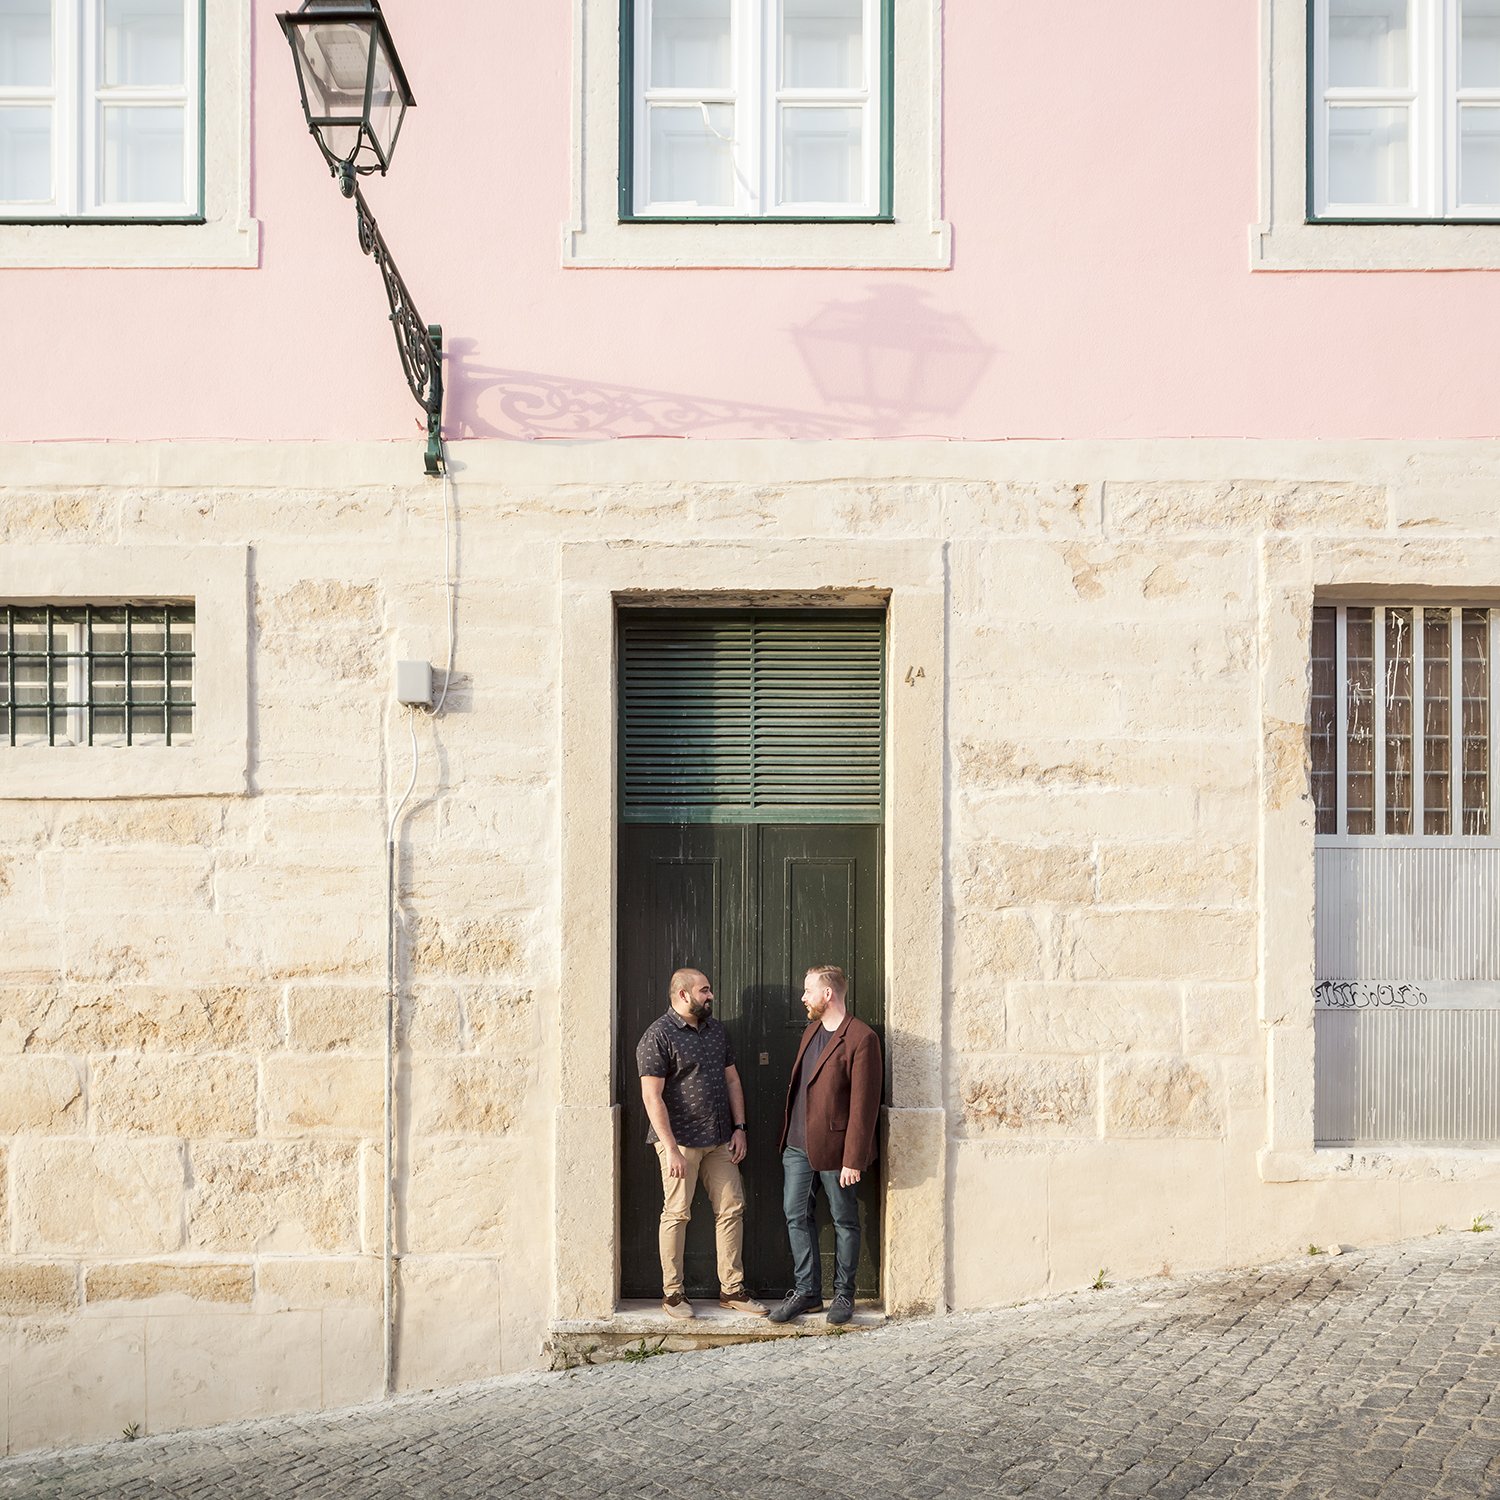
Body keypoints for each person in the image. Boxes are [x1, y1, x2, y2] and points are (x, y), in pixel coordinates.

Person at [636, 968, 767, 1319]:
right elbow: (652, 1097)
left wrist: (740, 1127)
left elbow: (733, 1080)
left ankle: (732, 1289)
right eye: (704, 990)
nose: (710, 996)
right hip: (680, 1143)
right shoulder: (658, 1036)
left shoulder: (716, 1031)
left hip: (720, 1138)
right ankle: (673, 1294)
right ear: (682, 995)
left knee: (731, 1208)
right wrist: (671, 1148)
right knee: (677, 1213)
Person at [768, 964, 883, 1327]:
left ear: (828, 993)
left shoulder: (861, 1038)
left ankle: (844, 1294)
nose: (803, 997)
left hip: (837, 1151)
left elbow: (864, 1107)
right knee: (794, 1215)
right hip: (797, 1146)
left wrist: (854, 1159)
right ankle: (807, 1293)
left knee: (845, 1220)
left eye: (808, 990)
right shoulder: (811, 1031)